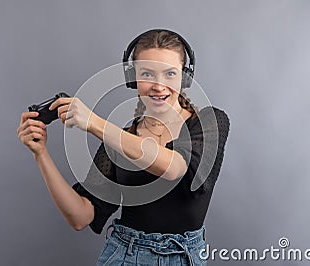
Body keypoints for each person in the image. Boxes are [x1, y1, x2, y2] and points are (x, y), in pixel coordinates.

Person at [17, 29, 230, 265]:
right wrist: (41, 154)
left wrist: (94, 123)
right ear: (133, 78)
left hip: (184, 256)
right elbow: (81, 217)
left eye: (170, 74)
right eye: (147, 73)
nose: (159, 86)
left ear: (184, 77)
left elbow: (174, 168)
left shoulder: (210, 121)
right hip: (124, 255)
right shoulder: (121, 139)